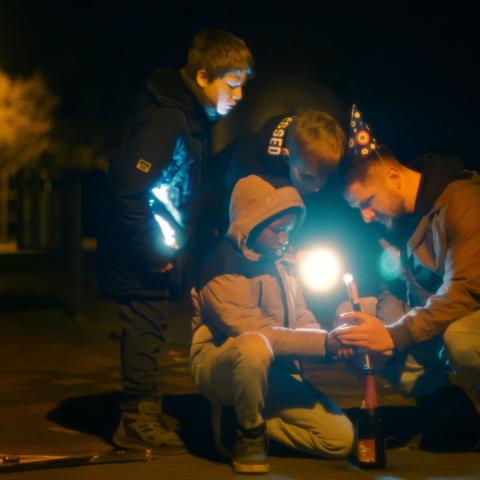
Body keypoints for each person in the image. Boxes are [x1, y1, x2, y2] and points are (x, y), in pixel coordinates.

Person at [97, 29, 254, 453]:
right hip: (139, 248)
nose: (238, 96)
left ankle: (145, 409)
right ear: (203, 76)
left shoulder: (186, 116)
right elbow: (130, 187)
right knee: (144, 327)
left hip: (153, 246)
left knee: (151, 327)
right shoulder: (167, 118)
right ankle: (135, 420)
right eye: (232, 84)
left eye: (243, 86)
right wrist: (152, 251)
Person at [335, 104, 480, 451]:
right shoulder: (400, 218)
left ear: (394, 177)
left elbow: (465, 291)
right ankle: (446, 407)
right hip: (440, 316)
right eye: (359, 210)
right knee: (357, 320)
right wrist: (379, 336)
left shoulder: (462, 201)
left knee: (461, 339)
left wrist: (394, 336)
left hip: (467, 316)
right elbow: (393, 290)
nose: (367, 217)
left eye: (367, 202)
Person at [190, 174, 354, 474]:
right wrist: (323, 345)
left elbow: (300, 315)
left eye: (289, 230)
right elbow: (257, 332)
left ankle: (240, 418)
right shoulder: (223, 267)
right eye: (277, 230)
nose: (284, 239)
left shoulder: (281, 260)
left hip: (273, 369)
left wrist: (333, 339)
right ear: (250, 221)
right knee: (254, 346)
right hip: (221, 366)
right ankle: (249, 431)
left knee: (340, 440)